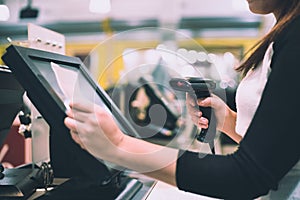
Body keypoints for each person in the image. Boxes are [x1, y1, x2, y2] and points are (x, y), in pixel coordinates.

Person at [64, 0, 300, 199]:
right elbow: (280, 148)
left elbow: (248, 176)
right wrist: (227, 119)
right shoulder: (283, 32)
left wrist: (118, 145)